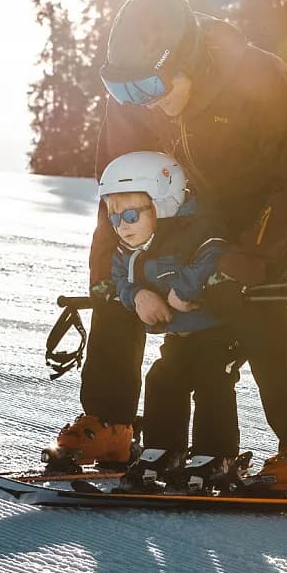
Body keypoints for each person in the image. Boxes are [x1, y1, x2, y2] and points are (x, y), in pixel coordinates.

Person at [51, 0, 287, 493]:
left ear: (185, 61)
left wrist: (239, 262)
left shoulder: (256, 81)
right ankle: (110, 425)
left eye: (151, 86)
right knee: (126, 272)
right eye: (125, 90)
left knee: (249, 298)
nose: (141, 101)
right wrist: (109, 275)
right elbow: (119, 190)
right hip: (193, 180)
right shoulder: (134, 92)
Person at [96, 150, 245, 492]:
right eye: (115, 217)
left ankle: (214, 456)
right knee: (163, 380)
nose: (123, 225)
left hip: (218, 333)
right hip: (179, 336)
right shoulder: (129, 250)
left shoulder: (198, 230)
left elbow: (215, 254)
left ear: (162, 203)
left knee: (213, 385)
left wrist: (186, 289)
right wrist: (136, 295)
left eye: (131, 214)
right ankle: (164, 451)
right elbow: (121, 276)